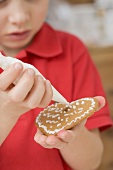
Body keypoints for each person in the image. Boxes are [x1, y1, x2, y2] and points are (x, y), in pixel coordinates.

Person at [0, 0, 112, 170]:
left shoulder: (72, 50)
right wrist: (6, 113)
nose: (20, 17)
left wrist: (73, 138)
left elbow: (91, 163)